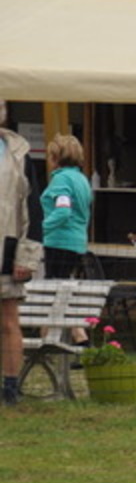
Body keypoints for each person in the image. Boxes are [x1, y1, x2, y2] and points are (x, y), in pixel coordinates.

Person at [0, 100, 44, 405]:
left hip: (7, 248)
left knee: (8, 321)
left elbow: (32, 209)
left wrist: (27, 257)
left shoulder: (18, 152)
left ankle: (10, 387)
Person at [40, 133, 94, 344]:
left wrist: (41, 228)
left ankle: (67, 336)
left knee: (52, 291)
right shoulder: (82, 179)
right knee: (62, 290)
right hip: (77, 241)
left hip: (58, 241)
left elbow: (63, 210)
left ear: (56, 157)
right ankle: (74, 334)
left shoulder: (61, 179)